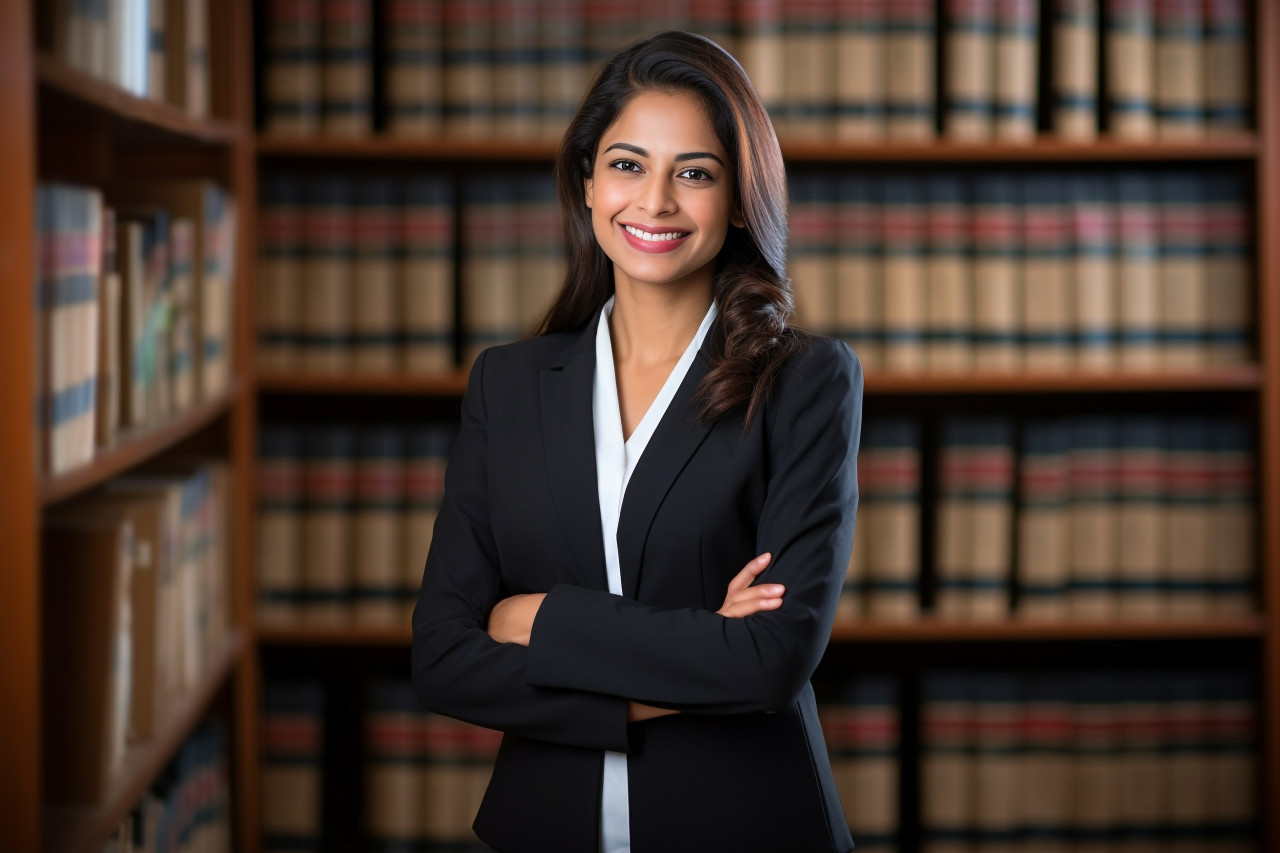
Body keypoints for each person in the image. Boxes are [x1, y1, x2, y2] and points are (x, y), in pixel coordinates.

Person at [412, 30, 862, 853]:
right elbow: (442, 658)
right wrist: (695, 656)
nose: (653, 201)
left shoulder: (804, 382)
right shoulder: (508, 385)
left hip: (749, 828)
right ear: (586, 183)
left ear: (735, 199)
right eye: (626, 164)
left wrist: (538, 618)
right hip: (542, 829)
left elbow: (769, 661)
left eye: (693, 173)